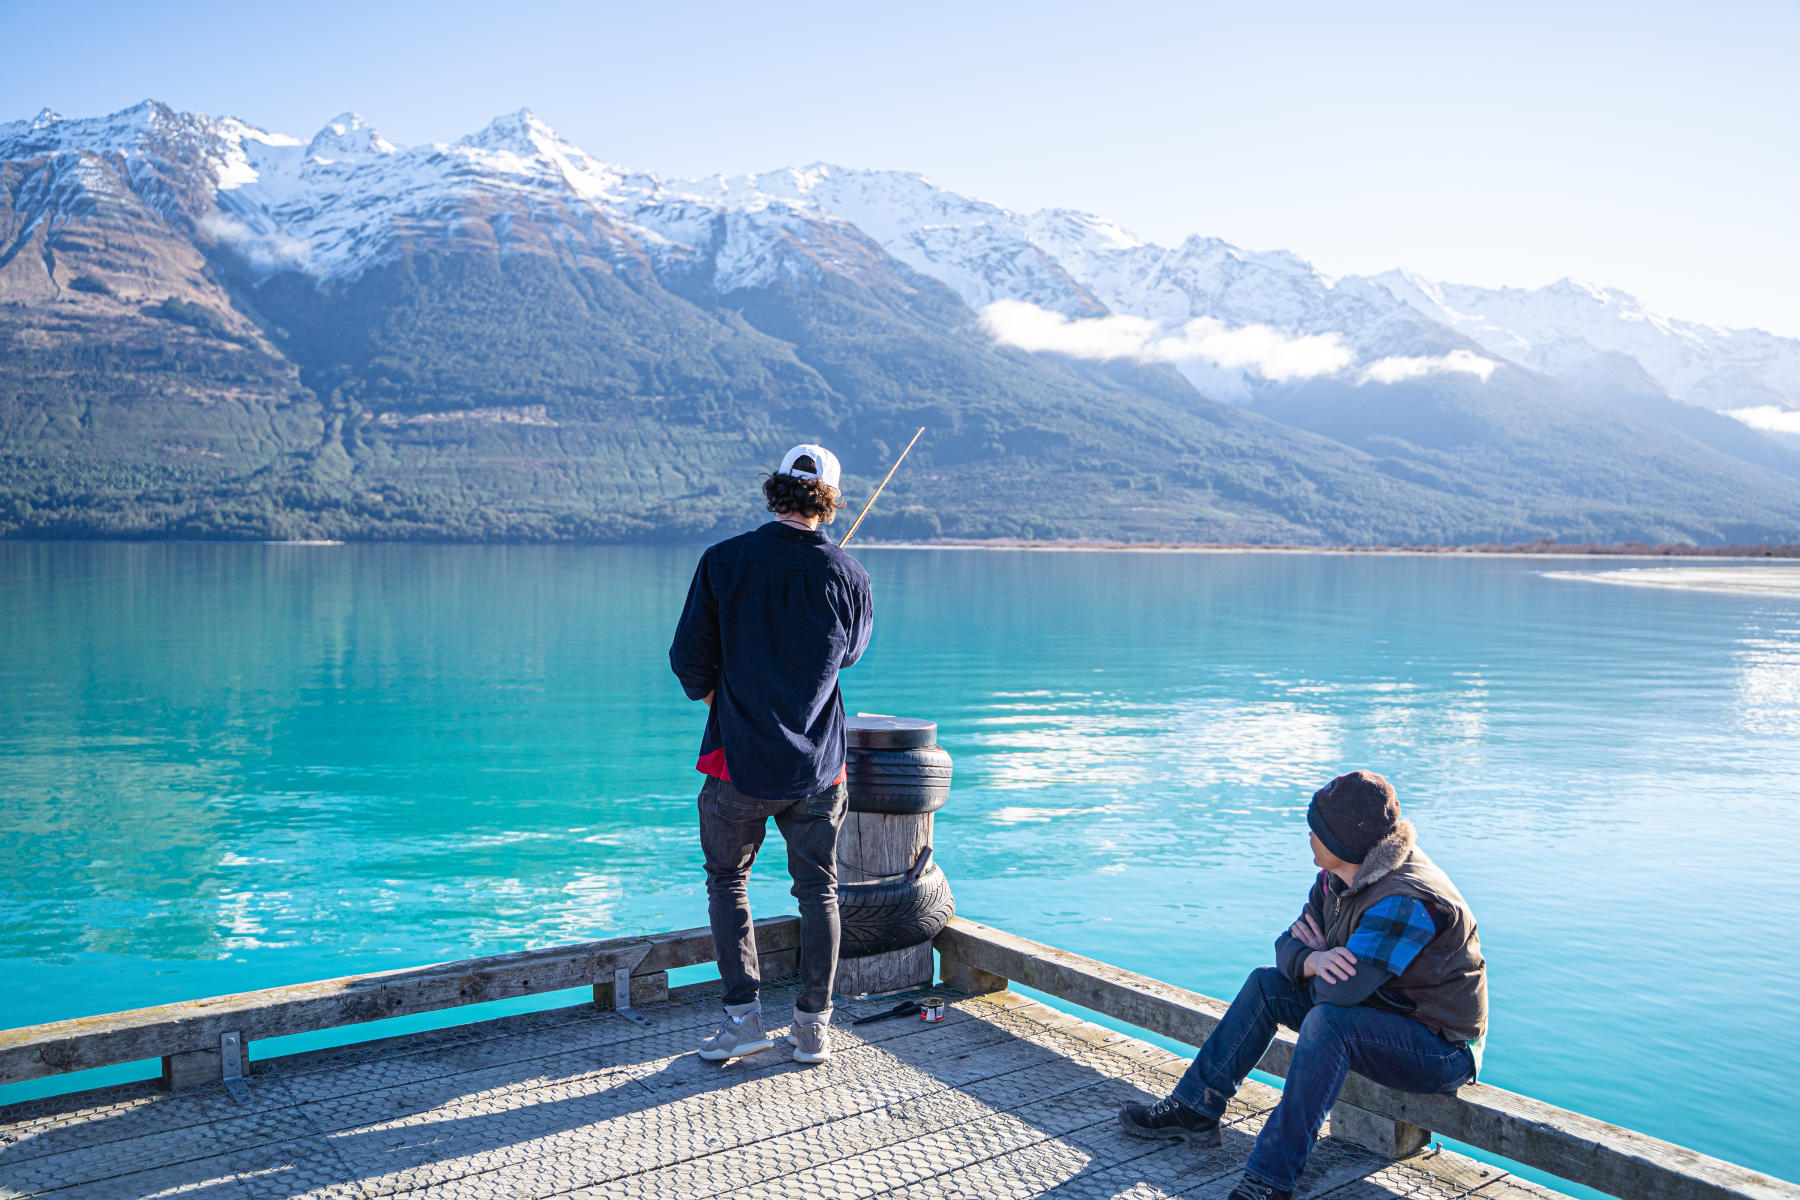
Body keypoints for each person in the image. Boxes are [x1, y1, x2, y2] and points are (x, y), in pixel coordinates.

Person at [1118, 770, 1487, 1200]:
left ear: (1343, 841)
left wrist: (1313, 960)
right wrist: (1311, 958)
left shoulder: (1406, 899)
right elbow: (1287, 944)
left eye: (1317, 829)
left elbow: (1337, 996)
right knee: (1266, 985)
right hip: (1379, 1013)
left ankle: (1271, 1180)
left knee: (1327, 1023)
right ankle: (1194, 1109)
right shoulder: (1337, 878)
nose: (1308, 835)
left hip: (1439, 1045)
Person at [668, 443, 874, 1066]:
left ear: (775, 491)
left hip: (737, 764)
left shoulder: (722, 561)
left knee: (728, 882)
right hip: (818, 768)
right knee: (820, 891)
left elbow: (688, 659)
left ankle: (742, 1021)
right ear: (829, 502)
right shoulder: (850, 575)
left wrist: (725, 708)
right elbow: (851, 655)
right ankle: (813, 1028)